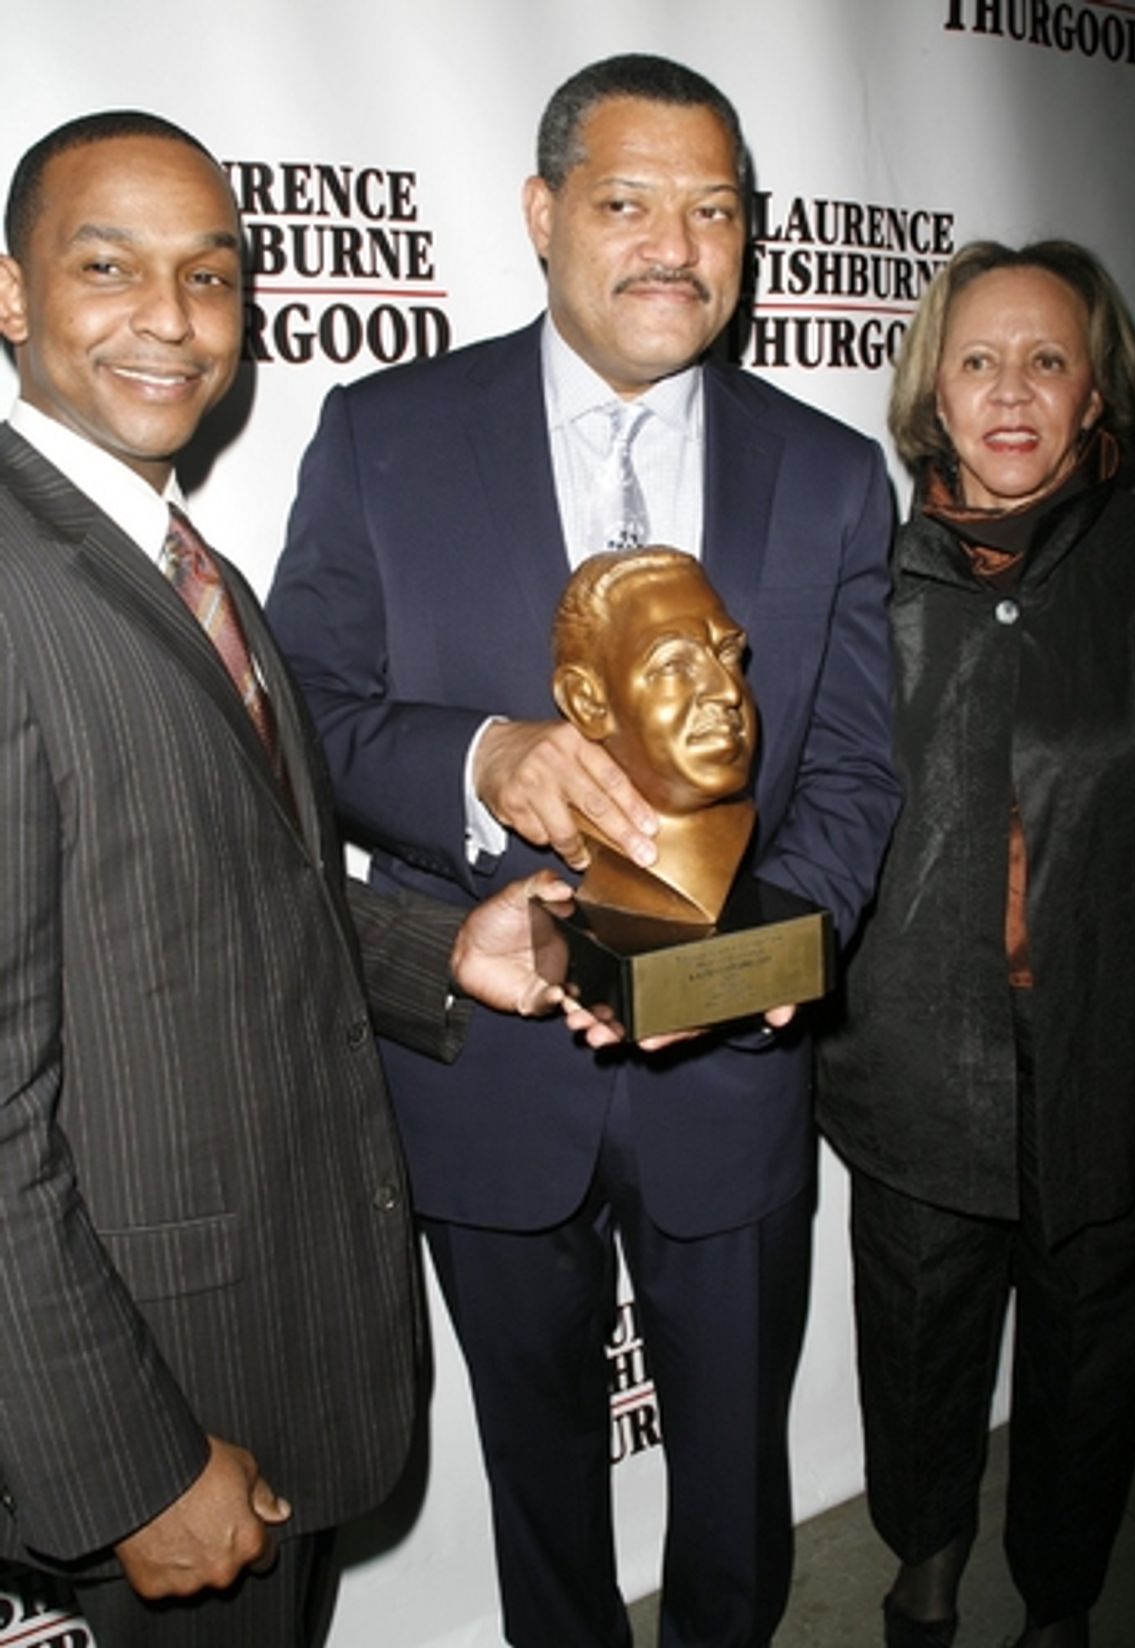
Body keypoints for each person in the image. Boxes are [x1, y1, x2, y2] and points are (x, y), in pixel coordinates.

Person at [267, 53, 899, 1648]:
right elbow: (301, 720)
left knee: (737, 1483)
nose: (674, 247)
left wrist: (774, 949)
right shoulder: (383, 434)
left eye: (715, 211)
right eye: (627, 203)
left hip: (735, 1083)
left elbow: (854, 771)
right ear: (546, 215)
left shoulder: (830, 477)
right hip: (486, 1074)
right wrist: (483, 761)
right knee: (539, 1482)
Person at [0, 109, 594, 1648]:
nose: (172, 320)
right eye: (108, 266)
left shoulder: (182, 564)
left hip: (261, 1344)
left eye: (210, 275)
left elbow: (223, 895)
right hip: (148, 1399)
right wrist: (124, 1467)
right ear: (10, 297)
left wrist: (439, 950)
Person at [816, 240, 1135, 1648]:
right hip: (912, 1059)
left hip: (1123, 1058)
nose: (1012, 392)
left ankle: (1062, 1604)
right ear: (933, 388)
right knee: (916, 1352)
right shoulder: (858, 580)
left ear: (1098, 389)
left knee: (1095, 1362)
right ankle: (921, 1567)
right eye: (978, 359)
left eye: (1047, 359)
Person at [551, 545, 756, 922]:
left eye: (727, 653)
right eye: (674, 664)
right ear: (587, 702)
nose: (728, 691)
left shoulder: (740, 824)